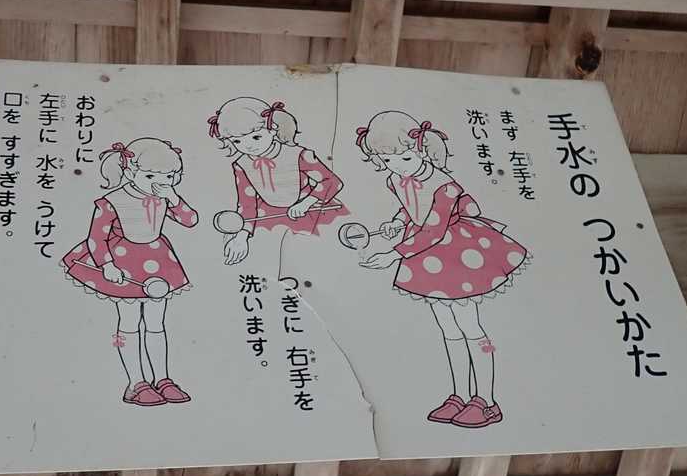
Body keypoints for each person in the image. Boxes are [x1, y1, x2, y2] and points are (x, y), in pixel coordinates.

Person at [354, 111, 527, 428]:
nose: (397, 166)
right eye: (388, 160)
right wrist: (397, 223)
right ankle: (459, 395)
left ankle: (486, 401)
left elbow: (434, 228)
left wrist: (393, 254)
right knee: (449, 330)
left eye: (405, 158)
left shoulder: (445, 185)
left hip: (457, 252)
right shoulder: (396, 179)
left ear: (422, 149)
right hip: (426, 256)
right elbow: (411, 210)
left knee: (470, 327)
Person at [61, 138, 198, 407]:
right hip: (123, 262)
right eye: (150, 176)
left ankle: (162, 379)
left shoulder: (163, 196)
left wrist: (173, 197)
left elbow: (190, 220)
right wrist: (107, 265)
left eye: (169, 176)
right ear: (130, 170)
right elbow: (96, 238)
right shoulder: (111, 201)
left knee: (157, 324)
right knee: (130, 322)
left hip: (158, 260)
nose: (160, 182)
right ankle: (136, 382)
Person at [207, 96, 347, 264]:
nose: (248, 146)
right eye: (237, 141)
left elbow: (332, 181)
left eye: (256, 137)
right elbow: (247, 204)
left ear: (272, 129)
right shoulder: (241, 165)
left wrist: (306, 203)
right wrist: (242, 236)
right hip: (269, 216)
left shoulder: (298, 154)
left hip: (309, 210)